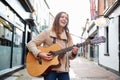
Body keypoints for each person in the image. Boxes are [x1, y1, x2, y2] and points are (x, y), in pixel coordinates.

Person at [26, 11, 78, 80]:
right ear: (57, 19)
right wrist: (40, 53)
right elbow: (30, 44)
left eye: (66, 18)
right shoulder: (47, 32)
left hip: (64, 70)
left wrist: (74, 53)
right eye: (62, 17)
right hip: (49, 70)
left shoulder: (68, 36)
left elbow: (69, 56)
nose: (64, 19)